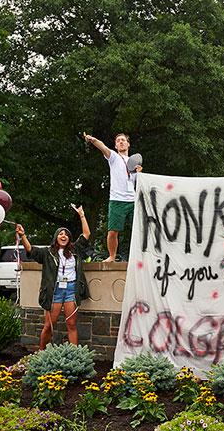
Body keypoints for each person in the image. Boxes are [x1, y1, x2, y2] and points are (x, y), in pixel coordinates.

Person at [16, 205, 92, 349]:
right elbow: (31, 251)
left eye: (66, 234)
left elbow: (86, 234)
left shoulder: (75, 250)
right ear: (56, 237)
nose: (64, 236)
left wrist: (82, 215)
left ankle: (75, 355)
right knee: (49, 325)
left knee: (71, 324)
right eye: (60, 234)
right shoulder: (47, 253)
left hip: (71, 289)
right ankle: (41, 352)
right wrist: (23, 235)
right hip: (54, 290)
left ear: (69, 239)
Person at [82, 132, 142, 262]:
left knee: (139, 230)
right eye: (118, 141)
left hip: (133, 200)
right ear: (115, 146)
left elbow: (137, 183)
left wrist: (139, 173)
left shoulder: (133, 162)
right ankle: (112, 256)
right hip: (117, 200)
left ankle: (140, 256)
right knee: (113, 231)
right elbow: (103, 147)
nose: (121, 142)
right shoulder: (113, 157)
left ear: (128, 144)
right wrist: (93, 140)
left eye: (123, 140)